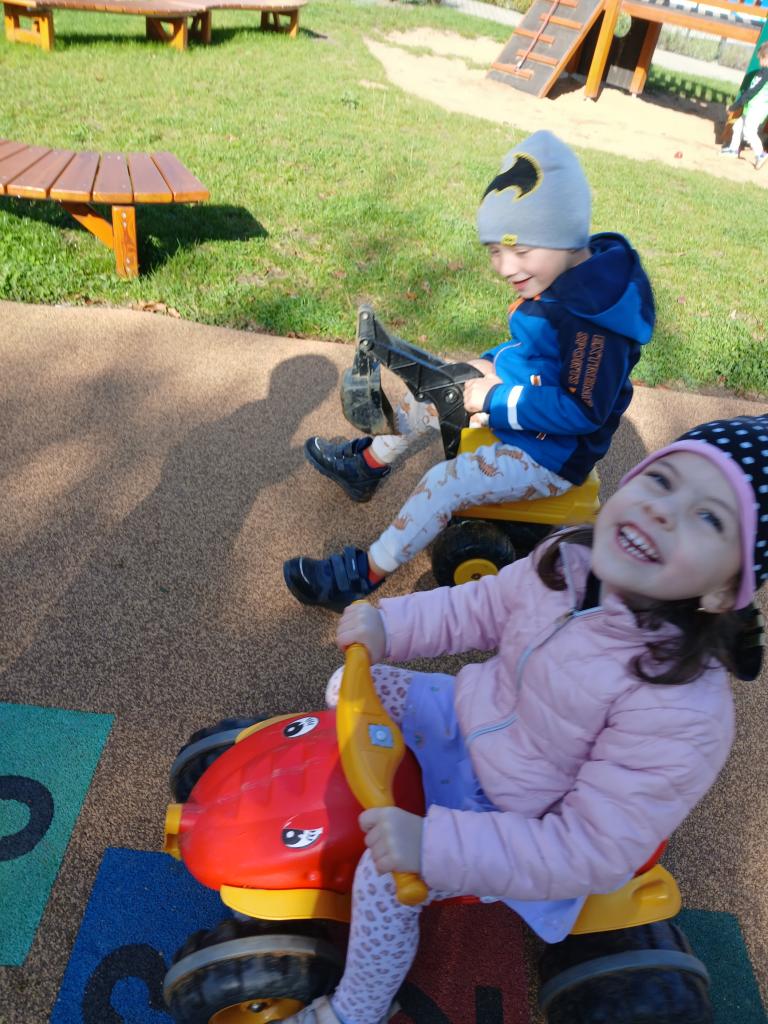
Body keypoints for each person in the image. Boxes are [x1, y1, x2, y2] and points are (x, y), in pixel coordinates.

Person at [283, 413, 768, 1024]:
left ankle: (357, 1008)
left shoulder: (681, 707)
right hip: (466, 714)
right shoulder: (570, 559)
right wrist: (392, 626)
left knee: (385, 879)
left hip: (513, 810)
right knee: (351, 686)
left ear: (724, 591)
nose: (664, 511)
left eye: (709, 519)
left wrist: (435, 845)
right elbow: (482, 606)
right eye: (662, 480)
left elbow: (585, 846)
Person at [283, 131, 655, 613]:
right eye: (494, 251)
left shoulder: (595, 322)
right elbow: (536, 348)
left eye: (518, 249)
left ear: (562, 234)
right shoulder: (566, 273)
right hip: (532, 409)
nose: (504, 266)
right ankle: (369, 465)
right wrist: (490, 366)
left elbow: (582, 410)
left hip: (552, 455)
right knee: (439, 383)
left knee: (446, 482)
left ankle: (363, 574)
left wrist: (494, 399)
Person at [721, 41, 768, 170]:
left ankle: (760, 154)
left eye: (762, 58)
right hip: (752, 108)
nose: (760, 62)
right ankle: (733, 150)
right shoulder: (763, 72)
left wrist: (734, 107)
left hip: (757, 109)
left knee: (749, 131)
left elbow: (751, 91)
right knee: (738, 126)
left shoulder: (765, 74)